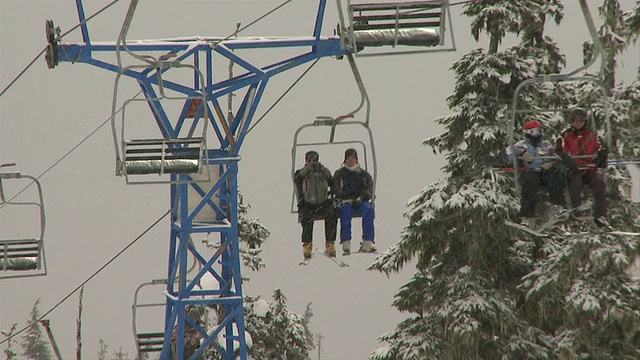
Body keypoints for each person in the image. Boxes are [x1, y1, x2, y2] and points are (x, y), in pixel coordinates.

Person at [501, 120, 565, 227]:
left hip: (544, 172)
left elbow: (557, 157)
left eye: (539, 131)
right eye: (533, 132)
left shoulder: (546, 145)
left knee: (556, 177)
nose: (536, 134)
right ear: (527, 132)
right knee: (530, 182)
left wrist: (552, 163)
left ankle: (557, 205)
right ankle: (527, 215)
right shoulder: (522, 145)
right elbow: (506, 155)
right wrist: (522, 152)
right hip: (529, 172)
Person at [557, 107, 610, 229]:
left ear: (585, 121)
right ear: (571, 121)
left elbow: (602, 147)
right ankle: (575, 214)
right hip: (575, 170)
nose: (578, 123)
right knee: (576, 184)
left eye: (581, 120)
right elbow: (559, 150)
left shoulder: (592, 134)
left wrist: (601, 156)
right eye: (575, 120)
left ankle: (600, 215)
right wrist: (567, 159)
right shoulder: (566, 135)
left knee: (599, 183)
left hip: (589, 169)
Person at [294, 150, 338, 258]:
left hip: (322, 202)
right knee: (307, 218)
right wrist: (307, 168)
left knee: (332, 213)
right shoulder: (302, 173)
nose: (312, 162)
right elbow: (297, 179)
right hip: (308, 203)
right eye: (309, 160)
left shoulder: (322, 172)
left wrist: (322, 169)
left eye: (314, 160)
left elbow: (331, 181)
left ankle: (330, 243)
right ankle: (307, 244)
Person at [332, 148, 376, 254]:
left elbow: (369, 188)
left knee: (368, 210)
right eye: (348, 158)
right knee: (345, 213)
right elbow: (336, 188)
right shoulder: (340, 174)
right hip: (346, 201)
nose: (350, 160)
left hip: (361, 201)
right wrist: (343, 196)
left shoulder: (364, 174)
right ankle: (346, 243)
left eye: (353, 158)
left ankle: (367, 242)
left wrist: (362, 197)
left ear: (356, 159)